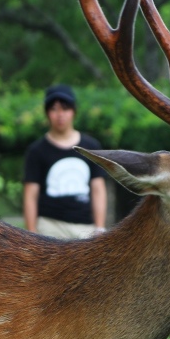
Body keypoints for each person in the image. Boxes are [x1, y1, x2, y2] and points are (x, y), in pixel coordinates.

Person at [23, 84, 107, 239]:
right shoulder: (37, 151)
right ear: (47, 113)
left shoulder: (91, 147)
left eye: (65, 108)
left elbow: (98, 189)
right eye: (54, 109)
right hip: (50, 226)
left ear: (73, 111)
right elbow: (30, 194)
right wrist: (32, 233)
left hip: (85, 227)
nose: (60, 114)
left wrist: (100, 227)